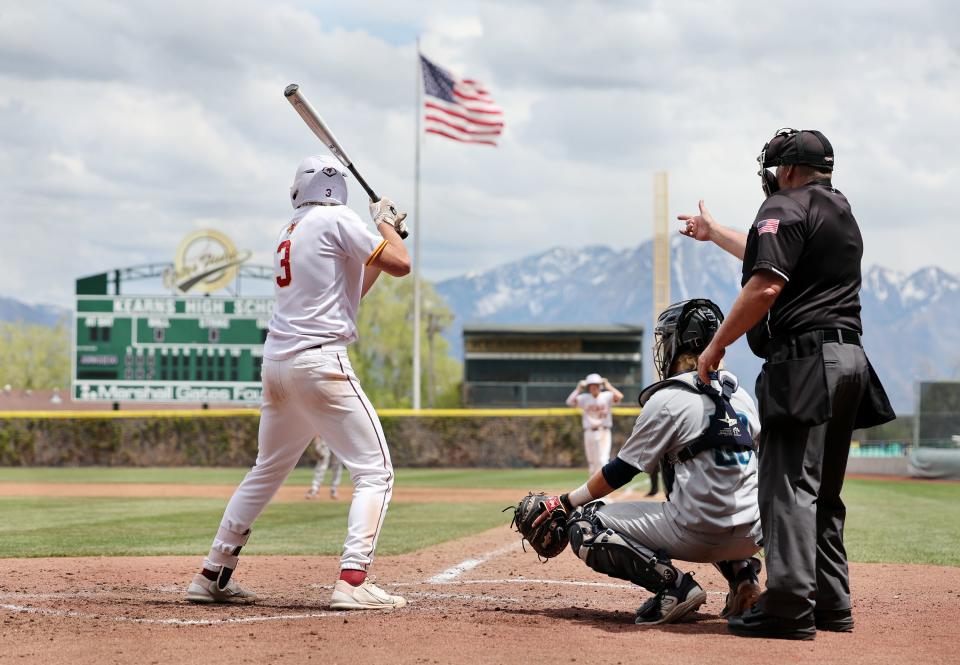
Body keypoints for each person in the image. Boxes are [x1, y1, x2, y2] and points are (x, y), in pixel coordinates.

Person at [678, 129, 895, 639]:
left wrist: (716, 346)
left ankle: (789, 607)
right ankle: (829, 603)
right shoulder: (838, 210)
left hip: (804, 361)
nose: (773, 177)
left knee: (787, 488)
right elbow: (773, 256)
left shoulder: (785, 205)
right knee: (823, 492)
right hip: (849, 360)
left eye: (777, 170)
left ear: (790, 170)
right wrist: (716, 233)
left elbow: (767, 282)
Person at [186, 155, 412, 610]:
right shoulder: (338, 218)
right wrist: (386, 224)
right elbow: (402, 263)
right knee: (375, 472)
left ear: (298, 188)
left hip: (279, 366)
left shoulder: (293, 228)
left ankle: (211, 573)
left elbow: (351, 290)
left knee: (266, 469)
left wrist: (386, 234)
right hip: (319, 364)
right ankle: (352, 581)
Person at [541, 300, 763, 625]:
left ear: (677, 345)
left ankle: (674, 588)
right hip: (753, 534)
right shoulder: (742, 396)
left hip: (699, 534)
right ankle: (744, 581)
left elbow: (622, 470)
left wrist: (566, 502)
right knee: (718, 483)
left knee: (585, 523)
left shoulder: (668, 398)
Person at [566, 373, 623, 475]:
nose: (594, 387)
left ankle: (604, 487)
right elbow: (569, 402)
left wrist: (608, 386)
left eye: (596, 384)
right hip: (589, 432)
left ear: (600, 386)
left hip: (603, 431)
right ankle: (594, 488)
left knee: (602, 460)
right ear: (588, 387)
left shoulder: (607, 396)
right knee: (592, 463)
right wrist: (578, 388)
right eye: (591, 385)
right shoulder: (584, 398)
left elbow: (619, 396)